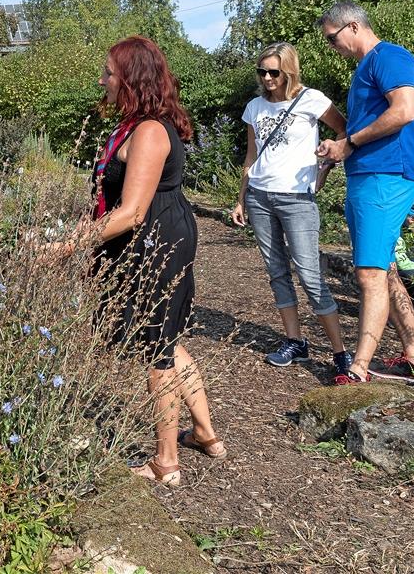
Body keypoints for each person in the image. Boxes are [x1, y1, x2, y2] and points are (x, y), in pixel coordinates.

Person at [55, 36, 223, 486]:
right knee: (164, 337)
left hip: (155, 240)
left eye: (109, 73)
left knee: (155, 348)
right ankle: (205, 433)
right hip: (150, 236)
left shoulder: (149, 131)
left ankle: (165, 461)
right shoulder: (134, 124)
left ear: (130, 79)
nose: (102, 80)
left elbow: (130, 213)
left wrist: (64, 244)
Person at [316, 0, 414, 384]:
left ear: (351, 26)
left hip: (384, 176)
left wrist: (349, 142)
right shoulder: (369, 66)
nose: (333, 47)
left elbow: (403, 111)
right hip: (369, 175)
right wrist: (338, 150)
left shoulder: (389, 57)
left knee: (368, 274)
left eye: (332, 39)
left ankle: (358, 368)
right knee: (385, 270)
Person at [230, 42, 353, 377]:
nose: (268, 78)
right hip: (259, 196)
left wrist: (326, 165)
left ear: (289, 70)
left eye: (275, 72)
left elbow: (344, 132)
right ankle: (295, 342)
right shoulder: (255, 106)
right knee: (277, 272)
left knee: (310, 274)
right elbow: (251, 157)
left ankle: (341, 353)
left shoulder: (311, 99)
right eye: (262, 72)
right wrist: (241, 198)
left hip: (297, 198)